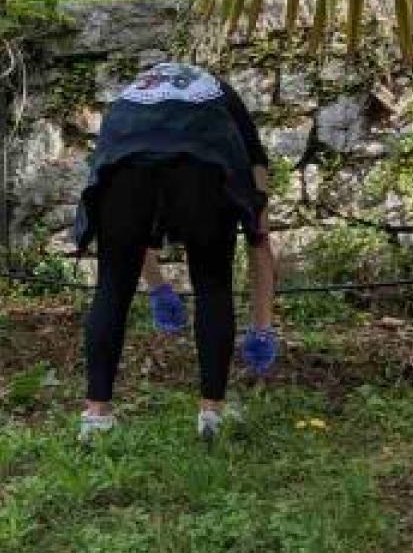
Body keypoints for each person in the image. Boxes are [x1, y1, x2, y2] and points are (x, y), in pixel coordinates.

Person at [72, 61, 278, 444]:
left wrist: (158, 289)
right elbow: (259, 233)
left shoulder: (134, 96)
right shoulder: (226, 106)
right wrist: (262, 326)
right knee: (213, 282)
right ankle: (211, 412)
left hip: (122, 165)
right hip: (202, 167)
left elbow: (128, 232)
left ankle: (96, 416)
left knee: (112, 286)